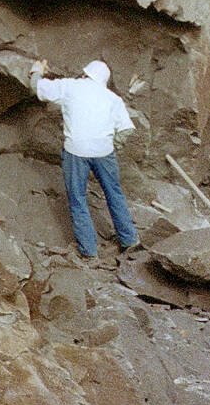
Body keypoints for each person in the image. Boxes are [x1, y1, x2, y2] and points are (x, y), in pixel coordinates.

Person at [29, 59, 140, 259]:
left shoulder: (70, 86)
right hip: (104, 151)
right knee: (114, 193)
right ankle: (129, 240)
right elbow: (126, 129)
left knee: (78, 199)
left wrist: (36, 71)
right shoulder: (112, 98)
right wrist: (112, 145)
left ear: (85, 74)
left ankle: (89, 251)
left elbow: (37, 87)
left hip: (76, 151)